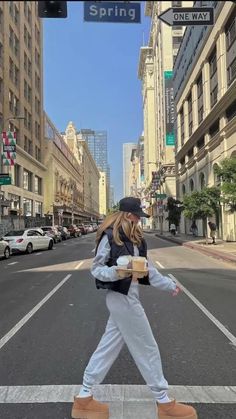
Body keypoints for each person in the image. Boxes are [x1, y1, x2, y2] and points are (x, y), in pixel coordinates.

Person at [71, 197, 197, 419]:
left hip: (130, 295)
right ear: (128, 215)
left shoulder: (137, 239)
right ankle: (164, 401)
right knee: (147, 347)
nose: (140, 220)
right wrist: (116, 273)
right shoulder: (110, 236)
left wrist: (169, 285)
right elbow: (96, 268)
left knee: (107, 347)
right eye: (138, 216)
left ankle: (84, 397)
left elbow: (147, 268)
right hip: (121, 297)